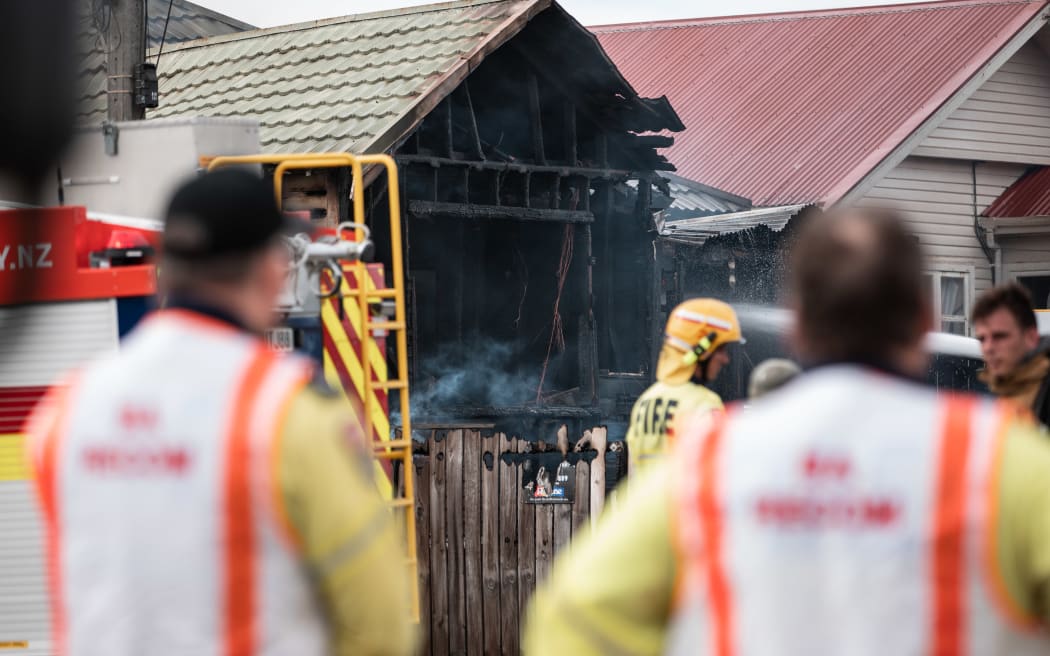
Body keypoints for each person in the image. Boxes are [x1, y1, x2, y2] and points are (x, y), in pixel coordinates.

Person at [524, 208, 1050, 655]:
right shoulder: (1005, 457)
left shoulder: (711, 458)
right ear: (923, 317)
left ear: (798, 324)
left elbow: (570, 618)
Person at [26, 169, 415, 655]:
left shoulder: (66, 410)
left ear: (165, 268)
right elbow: (379, 626)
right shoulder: (290, 416)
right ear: (274, 270)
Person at [624, 298, 744, 473]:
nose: (725, 359)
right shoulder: (704, 405)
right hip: (684, 501)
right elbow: (717, 474)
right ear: (701, 349)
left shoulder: (645, 401)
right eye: (721, 350)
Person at [973, 282, 1050, 426]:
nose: (988, 347)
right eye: (982, 339)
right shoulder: (1006, 389)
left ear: (1031, 337)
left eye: (999, 336)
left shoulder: (1042, 390)